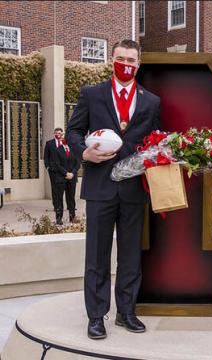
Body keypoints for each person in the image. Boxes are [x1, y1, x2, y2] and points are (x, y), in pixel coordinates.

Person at [66, 39, 161, 340]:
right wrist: (83, 153)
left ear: (138, 63)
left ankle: (126, 312)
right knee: (97, 255)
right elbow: (73, 130)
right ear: (112, 59)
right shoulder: (91, 94)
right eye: (121, 58)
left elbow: (154, 139)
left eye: (131, 60)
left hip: (134, 190)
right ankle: (96, 317)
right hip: (99, 188)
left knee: (131, 254)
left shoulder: (151, 101)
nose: (126, 64)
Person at [44, 128, 79, 225]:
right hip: (60, 178)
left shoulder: (74, 149)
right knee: (59, 198)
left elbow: (77, 163)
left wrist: (72, 173)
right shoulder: (57, 150)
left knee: (71, 198)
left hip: (72, 178)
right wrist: (65, 173)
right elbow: (56, 164)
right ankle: (59, 219)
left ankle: (72, 217)